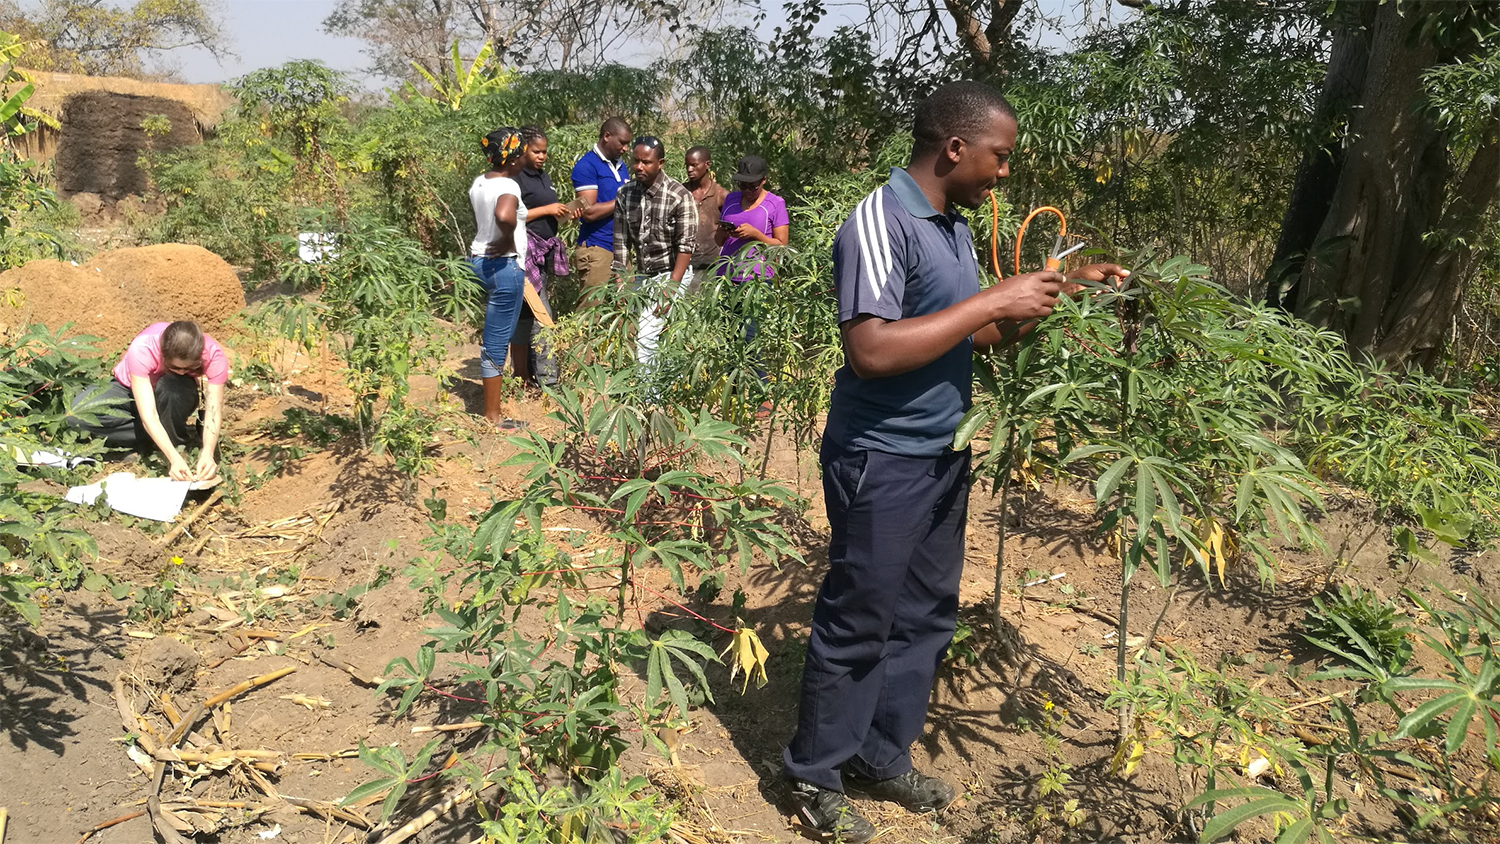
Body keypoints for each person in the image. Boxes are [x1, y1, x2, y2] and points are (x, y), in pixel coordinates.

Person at [781, 81, 1129, 842]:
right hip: (881, 455)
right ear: (956, 147)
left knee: (926, 615)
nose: (1005, 173)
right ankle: (813, 773)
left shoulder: (951, 228)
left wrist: (1060, 296)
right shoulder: (881, 219)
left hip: (942, 451)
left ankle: (881, 753)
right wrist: (993, 301)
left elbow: (966, 335)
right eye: (1000, 157)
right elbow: (871, 349)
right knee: (860, 618)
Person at [66, 320, 226, 482]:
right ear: (162, 356)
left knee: (172, 386)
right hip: (129, 390)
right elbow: (148, 415)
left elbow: (214, 411)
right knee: (76, 415)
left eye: (190, 368)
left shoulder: (213, 354)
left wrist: (208, 452)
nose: (183, 371)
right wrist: (173, 458)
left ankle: (173, 442)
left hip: (173, 392)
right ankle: (158, 438)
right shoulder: (143, 349)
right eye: (176, 367)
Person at [610, 135, 698, 374]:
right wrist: (620, 283)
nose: (639, 166)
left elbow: (686, 245)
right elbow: (620, 242)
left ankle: (650, 401)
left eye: (646, 162)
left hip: (671, 274)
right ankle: (663, 389)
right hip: (642, 276)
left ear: (661, 163)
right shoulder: (625, 194)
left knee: (646, 337)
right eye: (636, 161)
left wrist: (672, 286)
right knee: (652, 338)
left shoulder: (679, 195)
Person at [468, 126, 529, 429]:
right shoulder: (510, 185)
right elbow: (505, 215)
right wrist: (507, 240)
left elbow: (483, 220)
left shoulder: (480, 183)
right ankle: (493, 415)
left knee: (496, 333)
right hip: (504, 267)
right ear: (513, 158)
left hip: (478, 259)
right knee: (496, 341)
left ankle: (495, 403)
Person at [514, 125, 571, 388]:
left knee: (526, 317)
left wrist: (560, 212)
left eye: (544, 152)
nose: (541, 156)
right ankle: (550, 382)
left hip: (541, 254)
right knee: (543, 317)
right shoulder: (516, 178)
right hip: (525, 254)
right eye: (536, 151)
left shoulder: (541, 176)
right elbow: (513, 213)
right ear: (523, 149)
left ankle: (524, 375)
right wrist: (547, 208)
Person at [571, 117, 631, 302]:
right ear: (607, 136)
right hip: (597, 248)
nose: (625, 149)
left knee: (625, 312)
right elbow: (588, 212)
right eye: (622, 143)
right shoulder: (586, 166)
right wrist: (624, 199)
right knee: (592, 313)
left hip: (622, 249)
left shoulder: (622, 167)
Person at [714, 154, 789, 284]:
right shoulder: (730, 199)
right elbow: (719, 241)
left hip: (758, 279)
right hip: (725, 276)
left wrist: (755, 234)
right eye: (743, 186)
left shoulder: (775, 203)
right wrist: (724, 231)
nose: (747, 191)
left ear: (763, 180)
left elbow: (781, 246)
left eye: (753, 186)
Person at [684, 145, 728, 287]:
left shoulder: (720, 195)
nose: (690, 169)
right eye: (687, 165)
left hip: (711, 265)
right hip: (684, 265)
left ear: (707, 164)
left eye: (694, 165)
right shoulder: (681, 192)